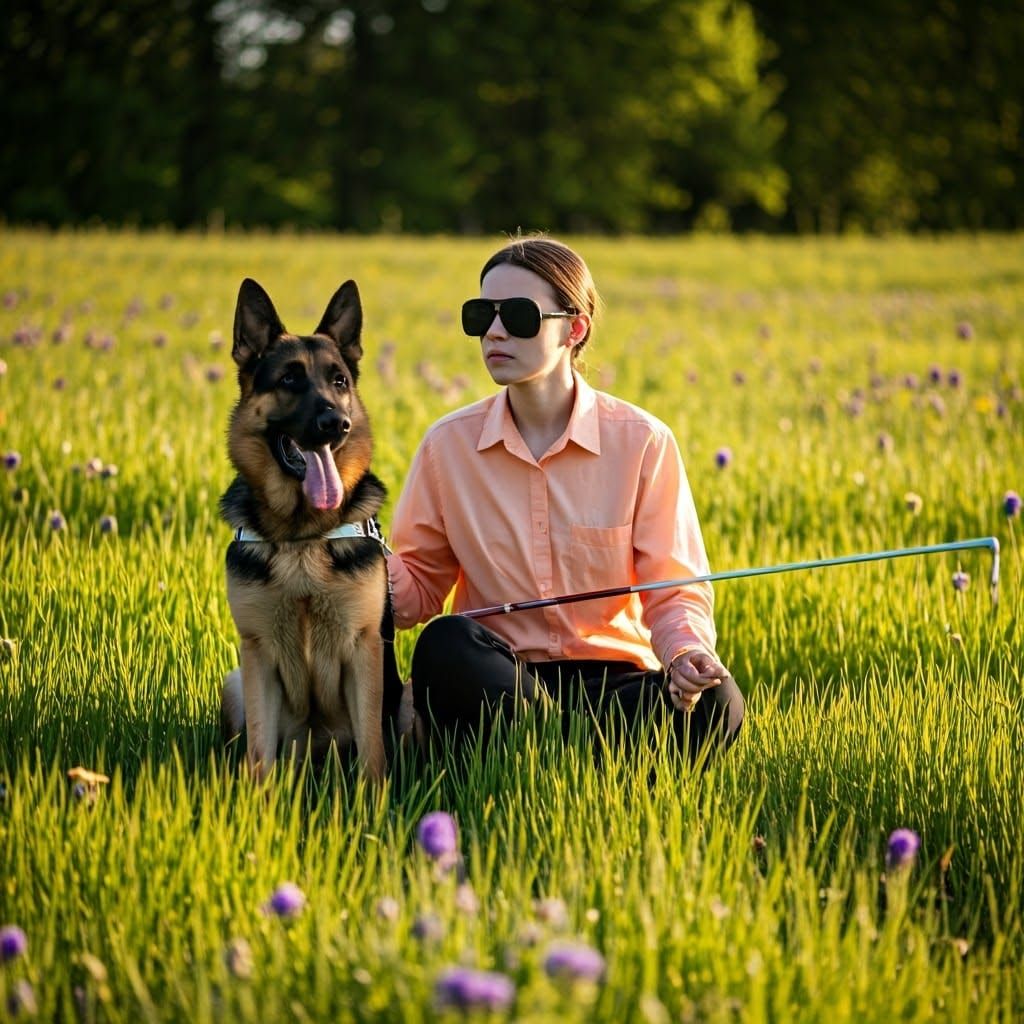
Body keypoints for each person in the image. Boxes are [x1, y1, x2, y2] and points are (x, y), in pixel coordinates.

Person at [386, 236, 743, 764]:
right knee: (444, 645)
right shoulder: (447, 445)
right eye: (482, 314)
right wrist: (352, 545)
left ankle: (543, 755)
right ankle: (588, 760)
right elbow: (416, 597)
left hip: (616, 687)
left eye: (520, 315)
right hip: (500, 679)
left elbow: (674, 590)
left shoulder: (642, 441)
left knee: (719, 701)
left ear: (574, 328)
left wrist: (688, 654)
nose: (495, 330)